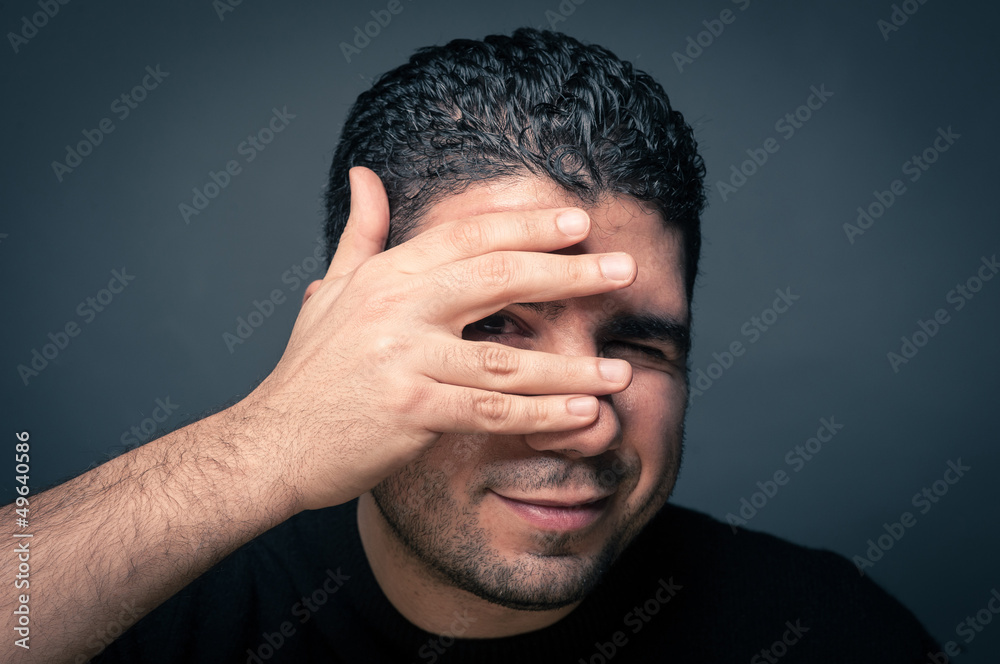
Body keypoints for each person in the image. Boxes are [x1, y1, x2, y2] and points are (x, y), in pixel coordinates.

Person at [4, 28, 938, 664]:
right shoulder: (150, 611)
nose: (579, 421)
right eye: (493, 334)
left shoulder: (826, 631)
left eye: (638, 347)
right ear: (346, 337)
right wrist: (265, 444)